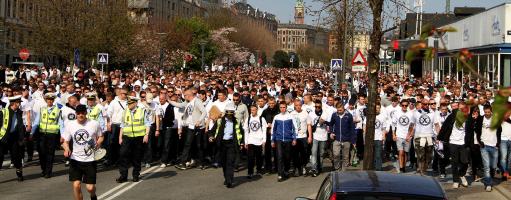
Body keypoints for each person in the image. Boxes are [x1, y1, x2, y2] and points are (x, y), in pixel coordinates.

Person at [62, 105, 104, 200]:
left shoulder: (94, 124)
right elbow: (65, 141)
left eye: (83, 113)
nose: (81, 115)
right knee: (76, 185)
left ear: (86, 113)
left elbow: (101, 136)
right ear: (76, 114)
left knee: (90, 188)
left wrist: (98, 143)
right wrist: (66, 149)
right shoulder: (70, 125)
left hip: (90, 159)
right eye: (78, 113)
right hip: (75, 159)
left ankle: (93, 196)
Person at [116, 96, 151, 183]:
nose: (128, 105)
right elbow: (122, 125)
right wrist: (120, 137)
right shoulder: (125, 112)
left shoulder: (142, 111)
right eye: (128, 103)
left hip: (138, 137)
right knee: (123, 155)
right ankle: (123, 176)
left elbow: (147, 124)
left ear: (135, 103)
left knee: (137, 156)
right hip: (127, 137)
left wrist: (146, 135)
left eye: (130, 103)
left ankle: (136, 175)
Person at [170, 89, 207, 170]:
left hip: (198, 127)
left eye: (185, 95)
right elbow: (179, 105)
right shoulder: (187, 102)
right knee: (188, 144)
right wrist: (168, 100)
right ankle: (184, 163)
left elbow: (204, 112)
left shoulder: (197, 101)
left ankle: (202, 163)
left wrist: (199, 120)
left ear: (188, 95)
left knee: (198, 145)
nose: (184, 97)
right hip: (190, 127)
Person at [210, 103, 242, 188]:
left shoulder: (237, 121)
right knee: (224, 163)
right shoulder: (220, 121)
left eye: (231, 113)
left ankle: (229, 181)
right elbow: (212, 130)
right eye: (228, 113)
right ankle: (226, 177)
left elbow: (241, 132)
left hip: (232, 144)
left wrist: (241, 142)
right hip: (222, 144)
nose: (229, 115)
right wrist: (211, 136)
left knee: (230, 162)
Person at [32, 93, 62, 178]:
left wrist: (62, 135)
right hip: (42, 134)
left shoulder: (58, 109)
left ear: (53, 100)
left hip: (52, 135)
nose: (50, 101)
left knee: (50, 154)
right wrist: (32, 133)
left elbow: (61, 123)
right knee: (42, 153)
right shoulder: (42, 109)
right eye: (48, 99)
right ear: (46, 100)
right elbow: (37, 122)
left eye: (51, 100)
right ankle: (43, 169)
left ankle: (48, 172)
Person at [475, 105, 501, 192]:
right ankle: (488, 184)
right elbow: (477, 130)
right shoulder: (480, 119)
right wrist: (479, 141)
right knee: (486, 166)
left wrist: (498, 143)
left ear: (491, 111)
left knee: (493, 166)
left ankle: (490, 177)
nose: (487, 114)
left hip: (494, 145)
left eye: (488, 112)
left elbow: (499, 130)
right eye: (485, 112)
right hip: (484, 145)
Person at [0, 95, 25, 181]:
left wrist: (21, 138)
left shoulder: (19, 113)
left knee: (16, 157)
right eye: (18, 103)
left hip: (14, 137)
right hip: (3, 138)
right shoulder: (4, 112)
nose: (19, 104)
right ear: (13, 103)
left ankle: (19, 173)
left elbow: (21, 127)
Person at [271, 101, 297, 182]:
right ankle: (280, 174)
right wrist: (272, 140)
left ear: (286, 108)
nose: (282, 109)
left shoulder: (290, 117)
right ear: (279, 108)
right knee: (279, 157)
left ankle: (286, 170)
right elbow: (273, 129)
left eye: (284, 107)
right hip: (278, 140)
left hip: (288, 139)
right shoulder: (276, 117)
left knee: (287, 157)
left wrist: (294, 138)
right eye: (281, 107)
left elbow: (295, 128)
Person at [329, 102, 355, 171]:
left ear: (344, 108)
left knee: (345, 157)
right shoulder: (334, 115)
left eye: (340, 110)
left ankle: (344, 171)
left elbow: (352, 128)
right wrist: (331, 132)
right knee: (336, 154)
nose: (339, 112)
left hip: (346, 139)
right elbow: (331, 124)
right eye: (338, 110)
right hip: (336, 139)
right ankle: (337, 169)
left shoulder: (349, 116)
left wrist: (353, 141)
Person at [243, 105, 267, 178]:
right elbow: (246, 131)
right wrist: (246, 141)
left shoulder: (261, 119)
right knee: (250, 157)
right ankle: (250, 172)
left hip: (259, 141)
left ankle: (258, 170)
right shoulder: (248, 119)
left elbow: (264, 130)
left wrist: (264, 140)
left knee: (259, 157)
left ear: (257, 110)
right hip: (251, 140)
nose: (252, 111)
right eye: (251, 110)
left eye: (254, 110)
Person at [392, 99, 414, 173]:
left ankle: (404, 166)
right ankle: (401, 167)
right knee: (401, 152)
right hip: (399, 135)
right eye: (403, 105)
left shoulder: (411, 113)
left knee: (406, 153)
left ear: (407, 106)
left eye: (406, 105)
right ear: (401, 105)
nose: (404, 107)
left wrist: (409, 135)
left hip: (407, 136)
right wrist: (393, 134)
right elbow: (393, 124)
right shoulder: (397, 113)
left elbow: (412, 125)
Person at [290, 100, 310, 177]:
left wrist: (310, 136)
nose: (298, 107)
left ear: (301, 105)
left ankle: (304, 167)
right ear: (294, 106)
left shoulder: (305, 113)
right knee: (295, 154)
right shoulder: (291, 114)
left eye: (299, 105)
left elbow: (308, 125)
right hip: (295, 137)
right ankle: (297, 168)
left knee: (304, 154)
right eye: (296, 105)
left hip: (303, 136)